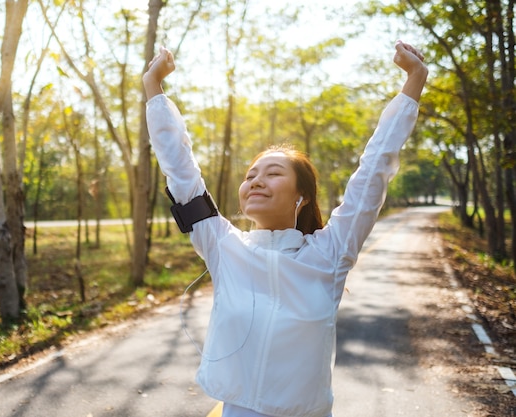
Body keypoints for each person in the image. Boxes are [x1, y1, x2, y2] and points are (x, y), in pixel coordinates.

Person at [143, 41, 428, 417]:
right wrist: (153, 88)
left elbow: (374, 169)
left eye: (274, 173)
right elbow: (180, 170)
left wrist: (415, 81)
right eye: (251, 176)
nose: (257, 181)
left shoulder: (330, 253)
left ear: (302, 197)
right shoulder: (223, 246)